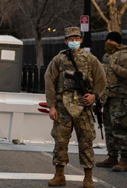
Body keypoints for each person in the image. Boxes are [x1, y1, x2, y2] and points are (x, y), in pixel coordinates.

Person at [44, 27, 107, 188]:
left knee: (86, 142)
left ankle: (88, 177)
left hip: (83, 107)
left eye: (76, 38)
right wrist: (51, 106)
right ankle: (59, 175)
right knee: (60, 142)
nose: (73, 41)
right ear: (65, 41)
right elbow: (49, 82)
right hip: (63, 107)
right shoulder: (58, 60)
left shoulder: (91, 59)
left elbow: (101, 80)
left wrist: (94, 96)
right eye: (70, 39)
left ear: (81, 40)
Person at [96, 31, 127, 172]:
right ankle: (112, 157)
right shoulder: (107, 56)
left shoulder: (125, 56)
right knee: (109, 129)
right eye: (107, 40)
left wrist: (116, 68)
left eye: (111, 41)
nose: (108, 43)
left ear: (117, 42)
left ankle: (124, 160)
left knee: (121, 129)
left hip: (120, 98)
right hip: (107, 98)